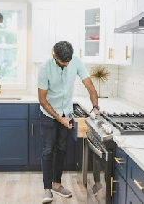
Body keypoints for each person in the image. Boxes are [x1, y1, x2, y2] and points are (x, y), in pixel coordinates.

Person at [37, 41, 100, 203]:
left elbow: (90, 86)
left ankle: (57, 185)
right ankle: (47, 190)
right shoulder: (45, 68)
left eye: (69, 62)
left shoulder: (76, 62)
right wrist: (61, 119)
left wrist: (96, 107)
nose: (67, 64)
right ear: (54, 57)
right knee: (48, 150)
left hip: (66, 112)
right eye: (63, 63)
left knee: (62, 149)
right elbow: (42, 101)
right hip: (49, 115)